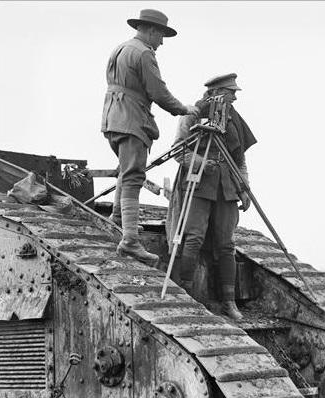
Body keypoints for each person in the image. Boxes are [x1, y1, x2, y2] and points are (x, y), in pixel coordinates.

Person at [101, 9, 199, 266]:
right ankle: (130, 241)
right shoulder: (144, 53)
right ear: (152, 31)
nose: (162, 42)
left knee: (126, 169)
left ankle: (119, 217)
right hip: (133, 119)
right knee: (134, 175)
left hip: (113, 118)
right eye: (162, 35)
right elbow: (157, 91)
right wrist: (183, 109)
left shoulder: (121, 48)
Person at [166, 73, 257, 320]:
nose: (235, 97)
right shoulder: (192, 114)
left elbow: (240, 160)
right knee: (193, 238)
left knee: (227, 244)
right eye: (231, 93)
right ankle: (186, 293)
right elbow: (177, 151)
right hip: (197, 185)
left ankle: (229, 302)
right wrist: (201, 163)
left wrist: (244, 187)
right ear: (217, 93)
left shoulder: (233, 119)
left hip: (226, 187)